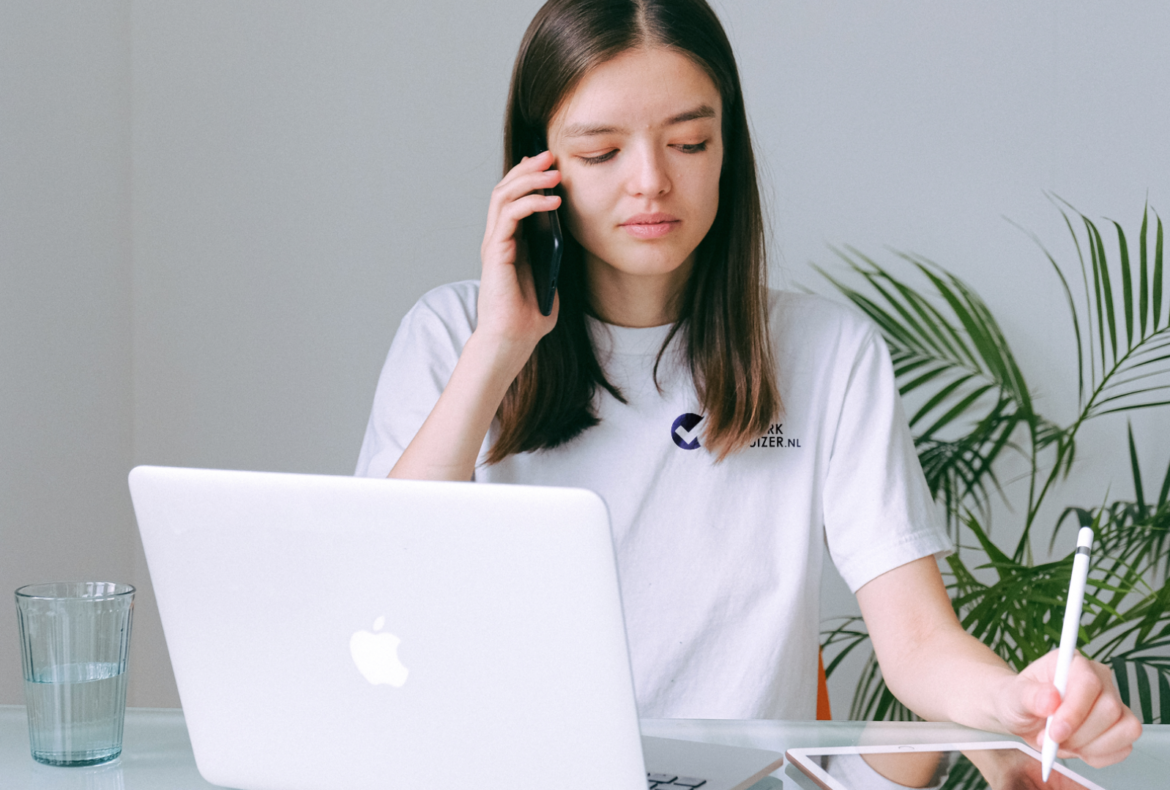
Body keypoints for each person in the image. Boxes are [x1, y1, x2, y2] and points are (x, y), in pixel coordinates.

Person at [356, 0, 1141, 768]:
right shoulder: (450, 336)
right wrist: (498, 347)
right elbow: (384, 587)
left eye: (689, 142)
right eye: (601, 154)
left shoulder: (828, 353)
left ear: (727, 146)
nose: (651, 182)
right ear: (538, 169)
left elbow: (919, 643)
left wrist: (1017, 702)